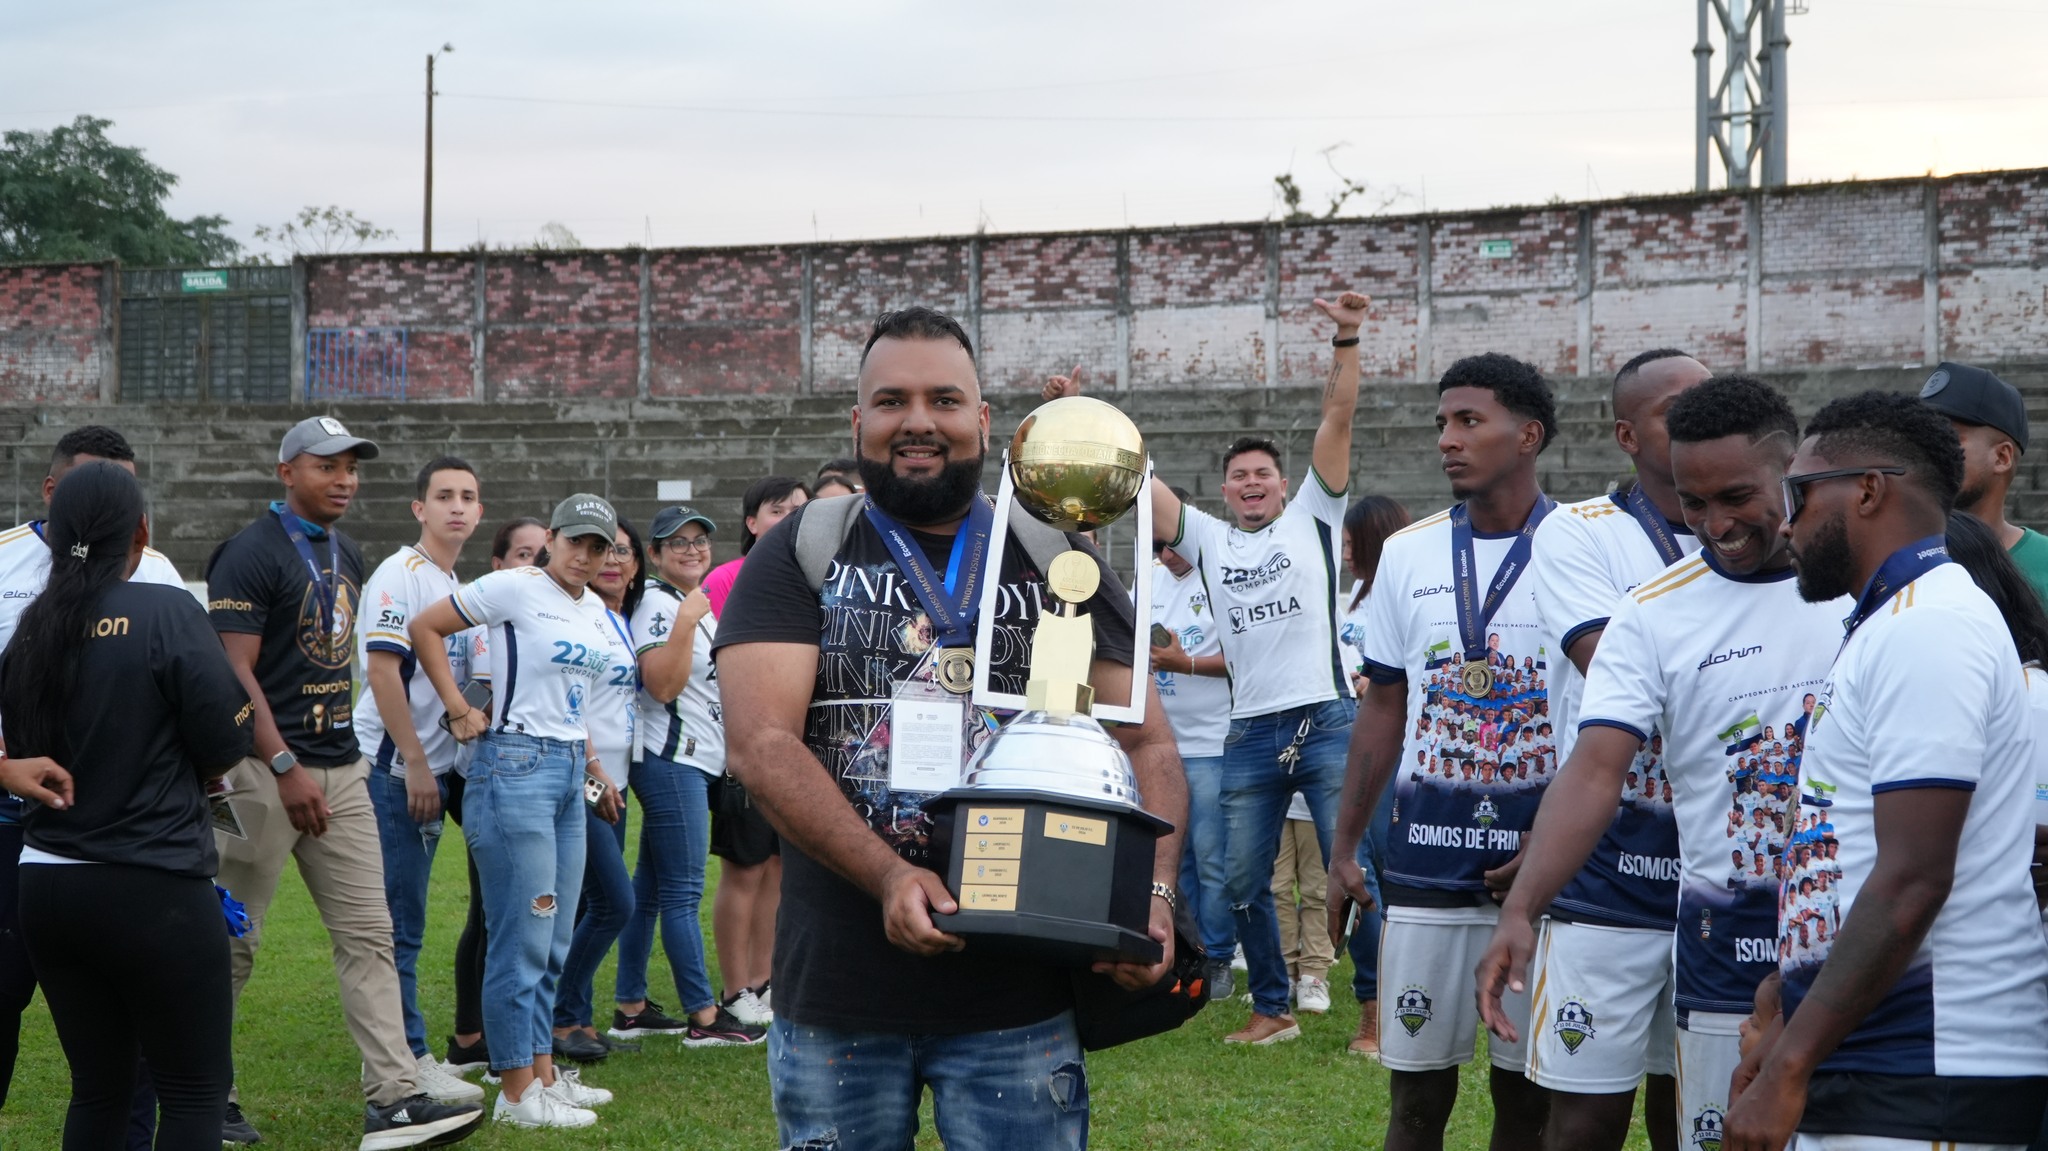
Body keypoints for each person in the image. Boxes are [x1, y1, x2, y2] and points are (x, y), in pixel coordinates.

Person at [716, 306, 1184, 1151]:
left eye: (944, 399)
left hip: (1019, 995)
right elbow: (760, 742)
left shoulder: (1052, 551)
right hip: (838, 991)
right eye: (891, 400)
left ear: (984, 421)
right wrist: (891, 875)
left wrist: (1151, 899)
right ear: (859, 420)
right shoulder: (805, 546)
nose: (919, 421)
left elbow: (1145, 740)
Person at [1474, 375, 1847, 1151]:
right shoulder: (1656, 609)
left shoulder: (1863, 591)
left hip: (1855, 940)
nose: (1716, 524)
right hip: (1725, 943)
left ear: (1796, 471)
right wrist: (1523, 905)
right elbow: (1595, 768)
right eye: (1693, 502)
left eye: (1738, 496)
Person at [1723, 391, 2048, 1150]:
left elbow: (1912, 877)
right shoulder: (1890, 620)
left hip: (1929, 1062)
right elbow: (1846, 860)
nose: (1783, 521)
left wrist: (1789, 1067)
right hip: (1877, 1054)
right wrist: (1787, 1017)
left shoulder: (1928, 627)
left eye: (1798, 495)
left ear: (1869, 489)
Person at [1046, 289, 1371, 1045]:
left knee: (1353, 870)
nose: (1253, 483)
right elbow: (1132, 475)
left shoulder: (1315, 519)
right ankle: (1271, 1007)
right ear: (1224, 489)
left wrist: (1346, 338)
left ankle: (1373, 1012)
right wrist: (1078, 409)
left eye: (1264, 473)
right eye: (1239, 476)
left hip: (1323, 718)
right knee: (1239, 882)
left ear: (1286, 483)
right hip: (1249, 729)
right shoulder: (1211, 541)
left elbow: (1338, 420)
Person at [205, 416, 484, 1150]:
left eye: (353, 466)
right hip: (265, 773)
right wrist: (284, 765)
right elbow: (234, 671)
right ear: (286, 470)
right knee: (231, 940)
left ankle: (392, 1097)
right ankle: (205, 1092)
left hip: (344, 768)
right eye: (328, 465)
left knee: (371, 933)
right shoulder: (249, 552)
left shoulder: (348, 550)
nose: (345, 478)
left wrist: (328, 764)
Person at [1329, 352, 1559, 1151]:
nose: (1447, 440)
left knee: (1526, 1104)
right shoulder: (1411, 552)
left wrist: (1555, 844)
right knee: (1416, 1103)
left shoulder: (1585, 548)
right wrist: (1346, 845)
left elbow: (1611, 723)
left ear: (1528, 435)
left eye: (1470, 421)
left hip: (1542, 871)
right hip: (1427, 863)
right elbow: (1383, 705)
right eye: (1441, 423)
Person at [0, 462, 249, 1151]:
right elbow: (229, 734)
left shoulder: (29, 630)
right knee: (195, 1091)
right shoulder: (166, 610)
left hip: (47, 884)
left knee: (99, 1090)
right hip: (153, 882)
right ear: (141, 530)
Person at [1516, 348, 1708, 1149]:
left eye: (1712, 401)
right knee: (1586, 1116)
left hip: (1721, 878)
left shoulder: (1766, 537)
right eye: (1676, 411)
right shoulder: (1578, 531)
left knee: (1697, 1112)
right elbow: (1611, 666)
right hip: (1609, 870)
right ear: (1628, 434)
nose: (1700, 421)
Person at [408, 493, 629, 1130]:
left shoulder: (590, 607)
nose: (585, 556)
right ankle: (513, 1093)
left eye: (598, 546)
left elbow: (573, 695)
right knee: (523, 934)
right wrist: (456, 706)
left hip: (564, 768)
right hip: (513, 767)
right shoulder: (513, 586)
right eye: (575, 542)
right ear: (554, 538)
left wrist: (589, 764)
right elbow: (425, 627)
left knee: (555, 938)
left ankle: (541, 1075)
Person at [0, 426, 185, 1117]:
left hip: (128, 831)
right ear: (51, 491)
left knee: (130, 1018)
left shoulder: (159, 575)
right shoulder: (5, 566)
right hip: (12, 827)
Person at [355, 457, 490, 1106]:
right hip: (392, 768)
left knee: (405, 921)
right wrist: (412, 759)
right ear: (419, 508)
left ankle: (407, 1052)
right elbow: (383, 672)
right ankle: (407, 1059)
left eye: (467, 496)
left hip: (430, 768)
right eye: (443, 496)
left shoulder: (450, 578)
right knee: (397, 925)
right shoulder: (401, 575)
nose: (456, 507)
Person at [611, 506, 767, 1044]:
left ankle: (630, 1005)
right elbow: (661, 685)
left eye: (699, 539)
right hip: (672, 760)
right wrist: (682, 621)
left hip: (693, 760)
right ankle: (704, 1015)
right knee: (682, 892)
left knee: (651, 891)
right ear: (653, 555)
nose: (691, 548)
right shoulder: (663, 604)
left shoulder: (689, 603)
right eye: (675, 542)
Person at [442, 514, 548, 1076]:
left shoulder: (542, 616)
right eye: (522, 554)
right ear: (499, 565)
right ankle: (475, 1039)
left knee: (501, 912)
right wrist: (468, 710)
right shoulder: (485, 621)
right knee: (497, 914)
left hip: (525, 776)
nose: (533, 564)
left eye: (540, 554)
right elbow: (471, 694)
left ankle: (478, 1037)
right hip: (489, 775)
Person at [701, 474, 810, 1014]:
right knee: (743, 870)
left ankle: (766, 981)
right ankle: (734, 987)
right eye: (777, 510)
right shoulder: (725, 580)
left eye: (800, 509)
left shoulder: (815, 577)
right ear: (751, 523)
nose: (791, 517)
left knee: (778, 868)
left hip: (797, 750)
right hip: (742, 749)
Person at [552, 519, 645, 1063]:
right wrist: (594, 772)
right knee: (615, 902)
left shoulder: (615, 619)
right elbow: (573, 697)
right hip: (586, 778)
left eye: (618, 552)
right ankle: (563, 1015)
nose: (609, 560)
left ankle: (575, 1015)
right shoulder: (576, 613)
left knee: (593, 900)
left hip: (617, 779)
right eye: (595, 550)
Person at [1336, 492, 1412, 1057]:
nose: (1342, 551)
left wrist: (1379, 686)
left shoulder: (1411, 594)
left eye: (1350, 540)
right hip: (1346, 749)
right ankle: (1371, 1008)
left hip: (1399, 760)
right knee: (1362, 879)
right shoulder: (1347, 604)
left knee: (1388, 880)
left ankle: (1394, 1007)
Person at [1149, 495, 1234, 998]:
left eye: (1171, 543)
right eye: (1157, 547)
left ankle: (1219, 956)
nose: (1166, 554)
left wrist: (1187, 666)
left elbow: (1247, 654)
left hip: (1211, 741)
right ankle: (1183, 950)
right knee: (1171, 859)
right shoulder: (1150, 579)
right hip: (1162, 742)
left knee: (1211, 859)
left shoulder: (1218, 576)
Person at [1917, 360, 2048, 606]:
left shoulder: (2043, 566)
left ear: (2001, 457)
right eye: (1920, 438)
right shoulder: (1892, 561)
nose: (1926, 451)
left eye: (1946, 437)